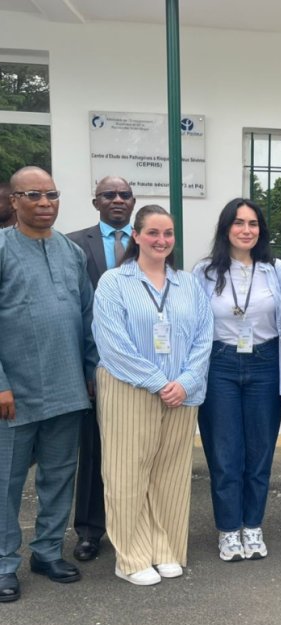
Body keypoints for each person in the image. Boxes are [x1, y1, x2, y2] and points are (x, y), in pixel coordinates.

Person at [92, 204, 212, 586]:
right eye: (153, 233)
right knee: (127, 473)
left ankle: (166, 548)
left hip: (181, 392)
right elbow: (112, 345)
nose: (162, 240)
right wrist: (159, 381)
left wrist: (187, 381)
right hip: (131, 389)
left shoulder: (188, 284)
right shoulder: (114, 282)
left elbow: (203, 339)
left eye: (168, 234)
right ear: (137, 236)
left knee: (170, 475)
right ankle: (129, 556)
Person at [0, 167, 97, 603]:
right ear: (14, 200)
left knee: (59, 477)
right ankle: (4, 563)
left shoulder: (71, 252)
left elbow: (89, 316)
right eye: (34, 195)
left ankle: (46, 552)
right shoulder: (1, 248)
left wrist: (93, 372)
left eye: (52, 195)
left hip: (66, 388)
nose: (45, 203)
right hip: (13, 395)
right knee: (6, 482)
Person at [192, 198, 281, 562]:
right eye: (238, 223)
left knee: (259, 453)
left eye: (253, 223)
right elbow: (193, 326)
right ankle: (229, 530)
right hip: (220, 365)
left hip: (264, 363)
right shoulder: (204, 272)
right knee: (225, 454)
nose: (246, 230)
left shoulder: (276, 270)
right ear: (225, 228)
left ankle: (253, 526)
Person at [66, 176, 136, 563]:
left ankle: (131, 524)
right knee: (93, 451)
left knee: (135, 452)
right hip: (97, 367)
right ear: (96, 203)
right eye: (109, 195)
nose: (117, 200)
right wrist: (87, 368)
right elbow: (75, 311)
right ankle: (91, 531)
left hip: (142, 369)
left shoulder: (147, 242)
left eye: (124, 195)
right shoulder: (75, 244)